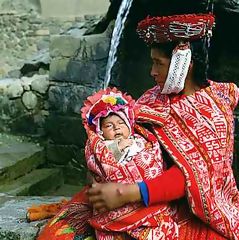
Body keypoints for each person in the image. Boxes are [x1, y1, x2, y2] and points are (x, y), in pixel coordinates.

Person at [87, 13, 239, 240]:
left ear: (182, 64)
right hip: (141, 194)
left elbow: (195, 176)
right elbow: (123, 136)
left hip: (191, 210)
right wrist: (99, 168)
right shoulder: (153, 98)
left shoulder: (213, 111)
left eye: (159, 63)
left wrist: (127, 193)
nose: (152, 72)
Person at [36, 88, 179, 240]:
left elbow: (152, 161)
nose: (116, 127)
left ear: (130, 127)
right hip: (112, 199)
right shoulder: (102, 146)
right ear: (101, 132)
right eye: (109, 126)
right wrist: (117, 149)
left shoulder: (140, 141)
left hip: (140, 195)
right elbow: (99, 166)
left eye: (120, 123)